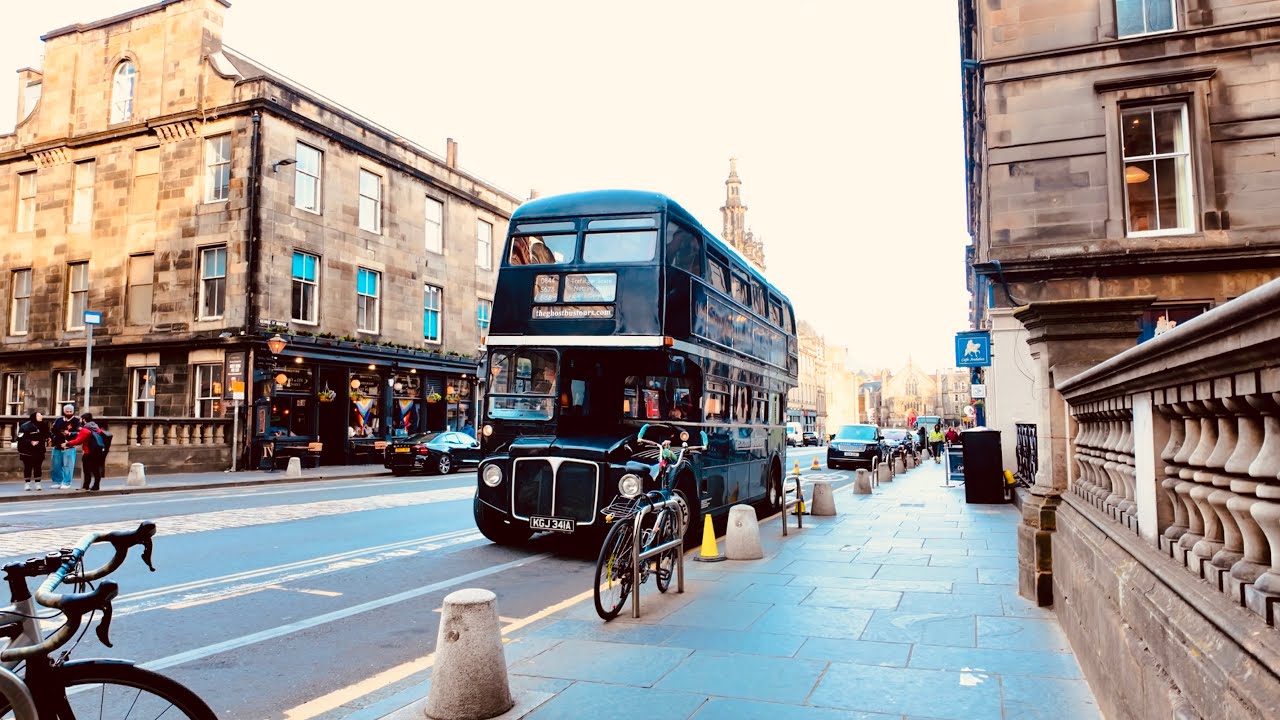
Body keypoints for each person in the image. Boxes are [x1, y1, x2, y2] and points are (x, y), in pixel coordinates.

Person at [67, 413, 110, 491]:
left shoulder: (85, 429)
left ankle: (86, 486)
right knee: (96, 470)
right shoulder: (96, 428)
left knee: (87, 470)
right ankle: (96, 486)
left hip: (89, 452)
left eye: (81, 419)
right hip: (98, 452)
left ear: (84, 420)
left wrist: (67, 443)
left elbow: (78, 441)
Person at [50, 404, 82, 490]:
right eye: (67, 411)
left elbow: (80, 433)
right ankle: (57, 481)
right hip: (57, 445)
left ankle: (67, 482)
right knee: (56, 465)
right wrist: (53, 438)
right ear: (64, 411)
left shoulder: (76, 421)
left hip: (69, 446)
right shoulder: (58, 420)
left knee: (68, 465)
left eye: (70, 411)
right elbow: (53, 431)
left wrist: (70, 434)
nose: (68, 413)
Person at [16, 410, 49, 491]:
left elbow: (47, 434)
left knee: (38, 467)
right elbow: (20, 438)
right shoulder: (25, 426)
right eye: (38, 415)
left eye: (41, 415)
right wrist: (30, 442)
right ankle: (27, 483)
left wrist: (48, 438)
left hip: (39, 450)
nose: (41, 417)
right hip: (27, 451)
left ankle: (38, 483)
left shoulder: (44, 425)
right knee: (28, 467)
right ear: (34, 417)